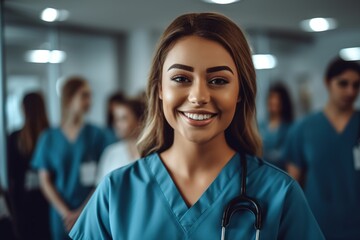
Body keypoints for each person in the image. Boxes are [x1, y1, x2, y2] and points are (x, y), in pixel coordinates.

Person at [69, 13, 324, 239]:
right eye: (181, 78)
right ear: (159, 89)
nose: (199, 96)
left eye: (218, 80)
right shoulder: (116, 192)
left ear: (240, 92)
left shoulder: (280, 194)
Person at [284, 58, 360, 240]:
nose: (350, 91)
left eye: (356, 85)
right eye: (343, 84)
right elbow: (293, 184)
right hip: (317, 226)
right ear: (328, 82)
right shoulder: (303, 129)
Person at [31, 77, 109, 240]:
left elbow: (103, 177)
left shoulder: (96, 135)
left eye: (90, 96)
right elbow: (45, 181)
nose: (90, 101)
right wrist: (67, 213)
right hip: (61, 215)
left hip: (90, 210)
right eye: (84, 95)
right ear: (69, 98)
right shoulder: (49, 138)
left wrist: (82, 211)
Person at [7, 92, 51, 239]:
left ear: (23, 109)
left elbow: (11, 174)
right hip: (48, 200)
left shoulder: (14, 138)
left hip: (24, 203)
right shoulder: (51, 135)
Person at [96, 97, 145, 183]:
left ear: (139, 120)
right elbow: (101, 188)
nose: (117, 124)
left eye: (123, 118)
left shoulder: (151, 153)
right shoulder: (111, 153)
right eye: (116, 119)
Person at [258, 83, 294, 169]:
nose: (273, 101)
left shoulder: (290, 128)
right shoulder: (260, 125)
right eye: (271, 97)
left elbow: (285, 155)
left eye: (277, 98)